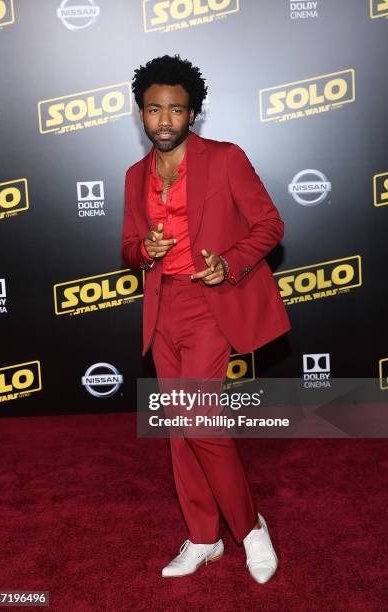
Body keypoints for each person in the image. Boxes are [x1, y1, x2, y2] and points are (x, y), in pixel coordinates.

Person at [121, 55, 291, 583]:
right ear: (141, 115)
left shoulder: (225, 159)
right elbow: (127, 246)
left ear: (192, 112)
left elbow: (269, 225)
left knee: (199, 422)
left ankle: (251, 528)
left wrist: (230, 263)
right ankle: (202, 537)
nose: (164, 120)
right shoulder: (134, 176)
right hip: (162, 307)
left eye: (175, 109)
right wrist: (144, 249)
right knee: (180, 430)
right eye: (153, 110)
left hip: (210, 303)